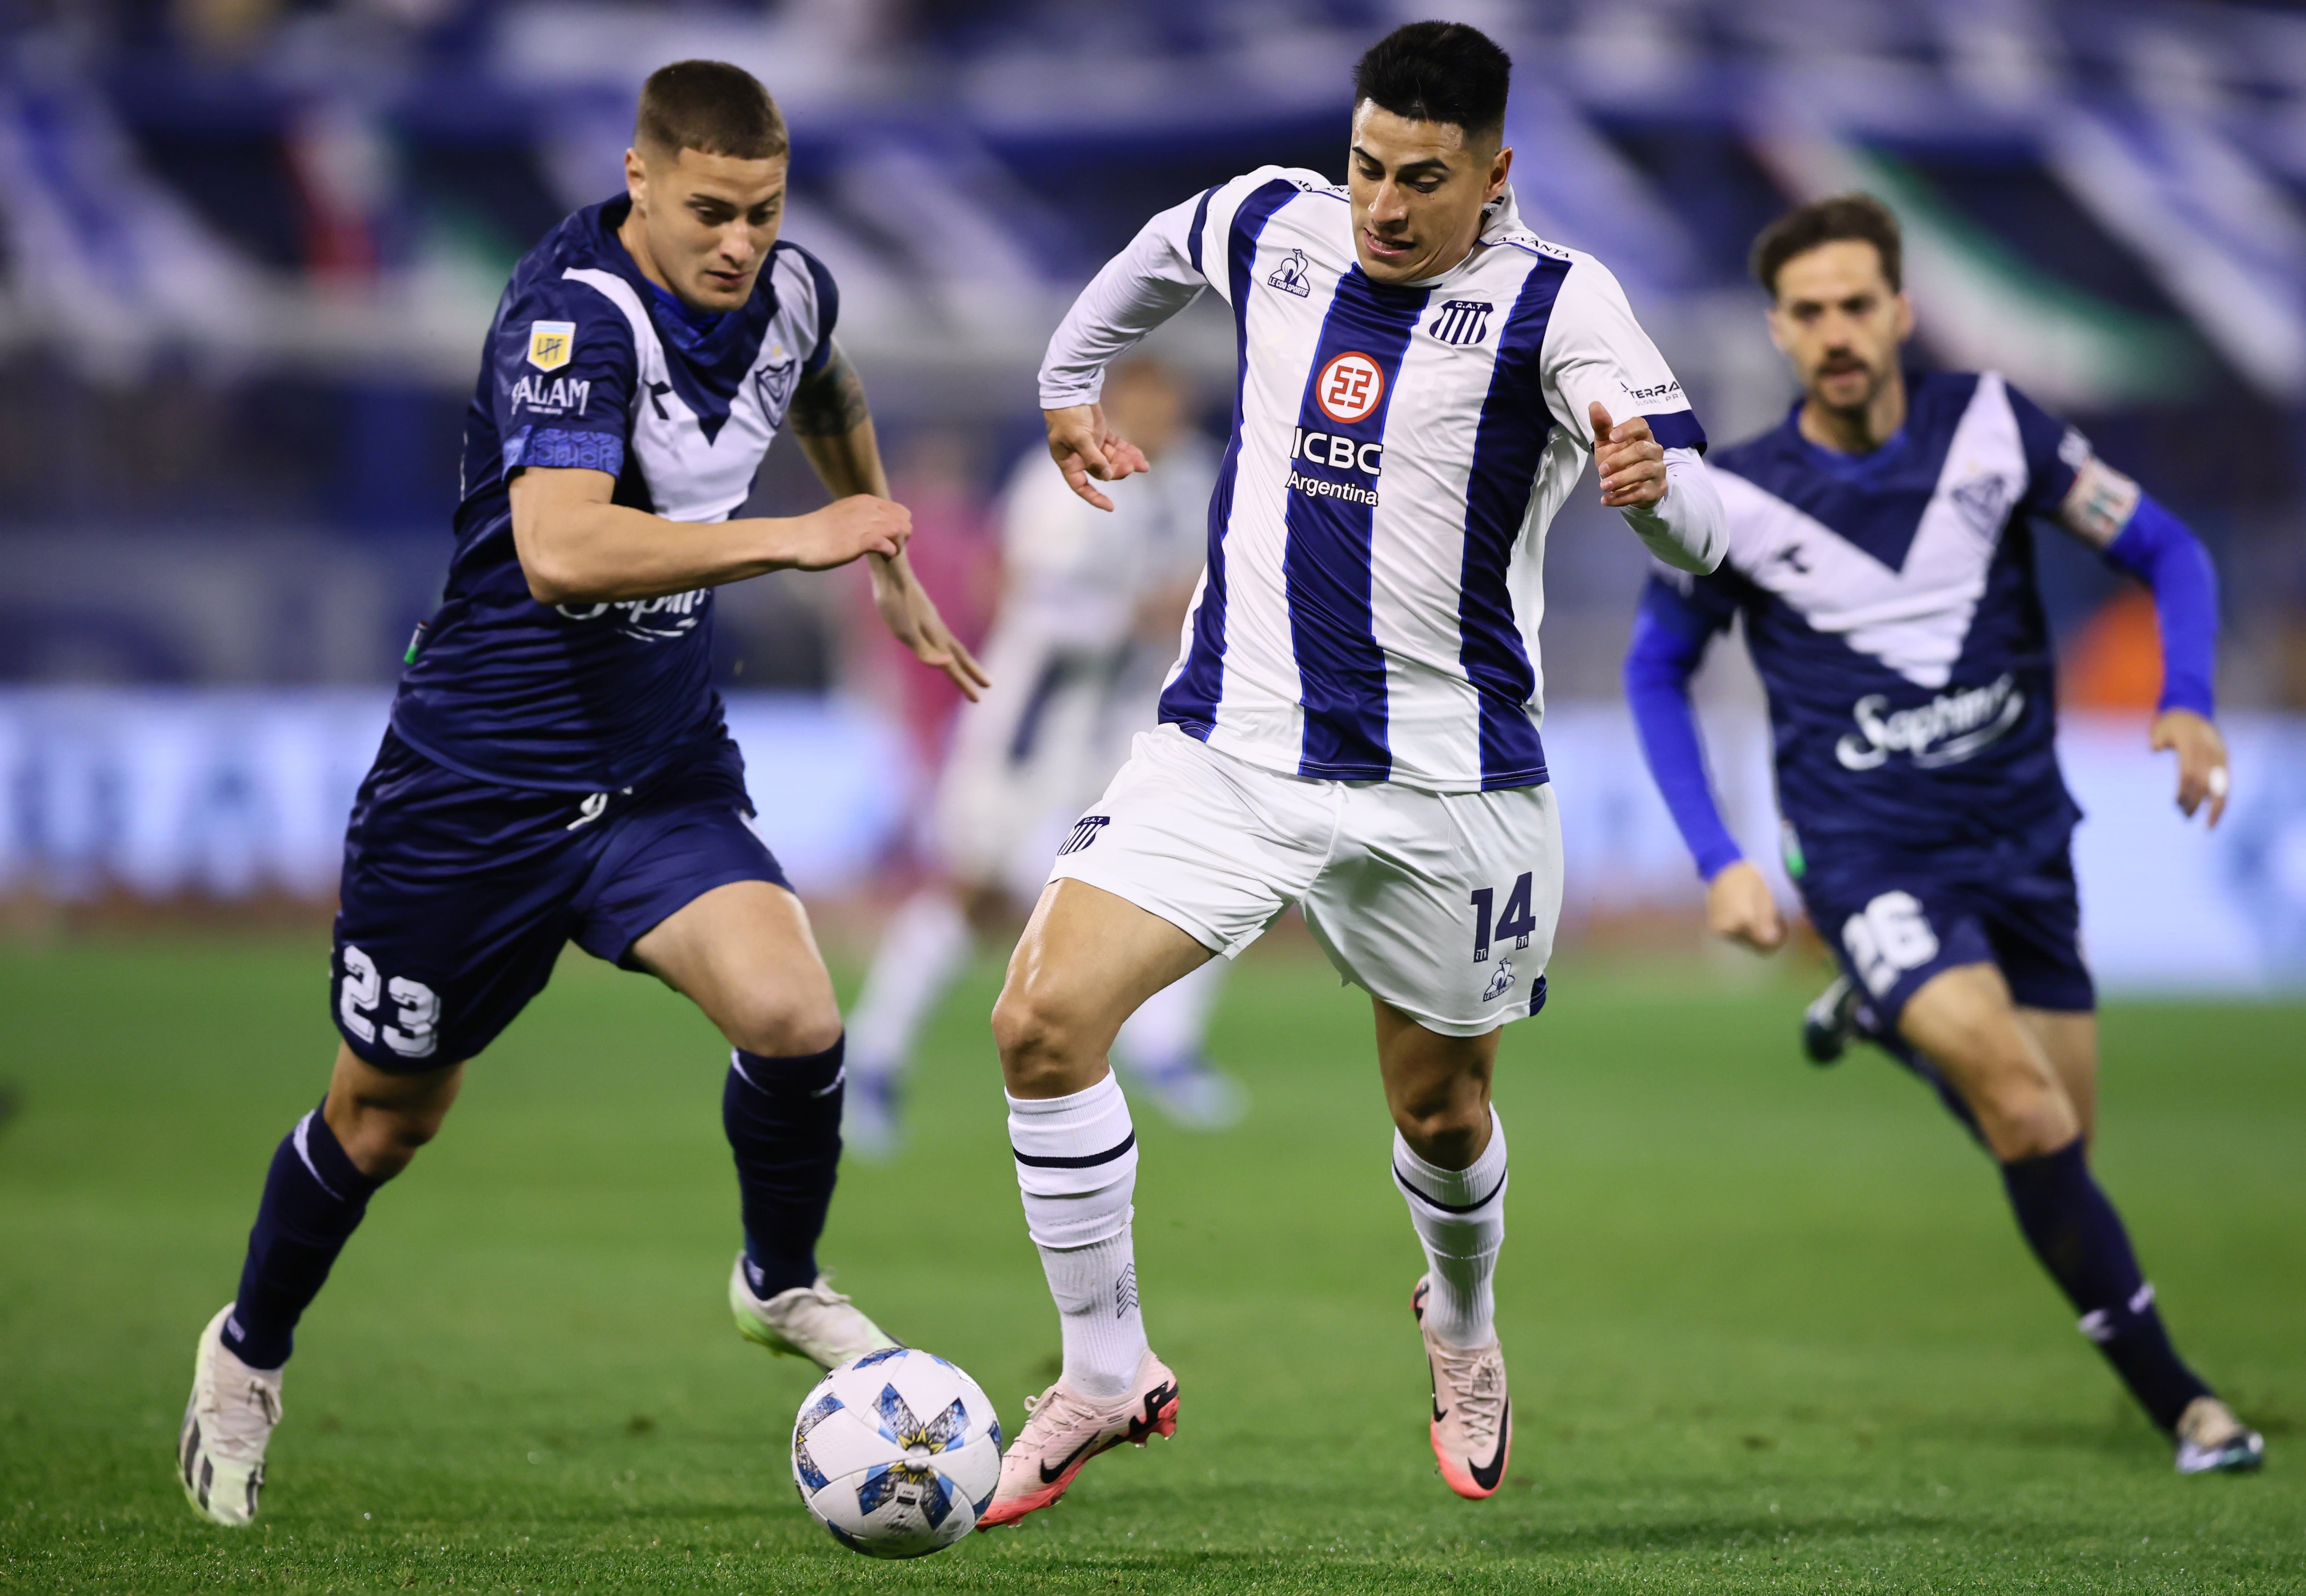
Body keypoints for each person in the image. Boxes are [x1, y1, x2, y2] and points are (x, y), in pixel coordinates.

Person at [176, 60, 986, 1527]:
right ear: (638, 178)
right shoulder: (572, 315)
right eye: (708, 211)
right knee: (383, 1118)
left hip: (654, 766)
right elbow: (559, 549)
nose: (738, 242)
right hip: (475, 785)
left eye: (762, 210)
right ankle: (246, 1350)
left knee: (799, 1018)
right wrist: (796, 540)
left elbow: (830, 383)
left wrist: (889, 560)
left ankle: (777, 1278)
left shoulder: (793, 290)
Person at [975, 21, 1726, 1527]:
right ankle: (1107, 1364)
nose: (1385, 206)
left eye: (1424, 181)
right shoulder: (1279, 226)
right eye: (1369, 166)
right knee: (1041, 1023)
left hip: (1450, 788)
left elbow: (1699, 510)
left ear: (1495, 174)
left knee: (1442, 1114)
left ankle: (1460, 1327)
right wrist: (1071, 379)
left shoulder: (1561, 302)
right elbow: (1160, 246)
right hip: (1230, 751)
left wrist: (1658, 495)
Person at [1621, 194, 2263, 1475]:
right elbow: (1655, 669)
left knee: (2057, 1136)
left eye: (1859, 304)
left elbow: (2169, 549)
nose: (1837, 331)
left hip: (2025, 835)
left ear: (1902, 310)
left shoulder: (1992, 427)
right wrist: (1722, 855)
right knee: (2023, 1106)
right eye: (1809, 313)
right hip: (1866, 851)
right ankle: (2187, 1404)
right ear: (1779, 332)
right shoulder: (1732, 496)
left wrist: (2185, 700)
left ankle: (1878, 1015)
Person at [844, 359, 1244, 1157]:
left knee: (1204, 872)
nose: (1159, 428)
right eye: (1143, 410)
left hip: (1129, 726)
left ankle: (1165, 1048)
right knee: (975, 893)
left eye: (1170, 413)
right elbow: (1024, 593)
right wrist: (1138, 612)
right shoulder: (1055, 479)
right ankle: (870, 1058)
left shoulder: (1195, 475)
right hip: (1035, 725)